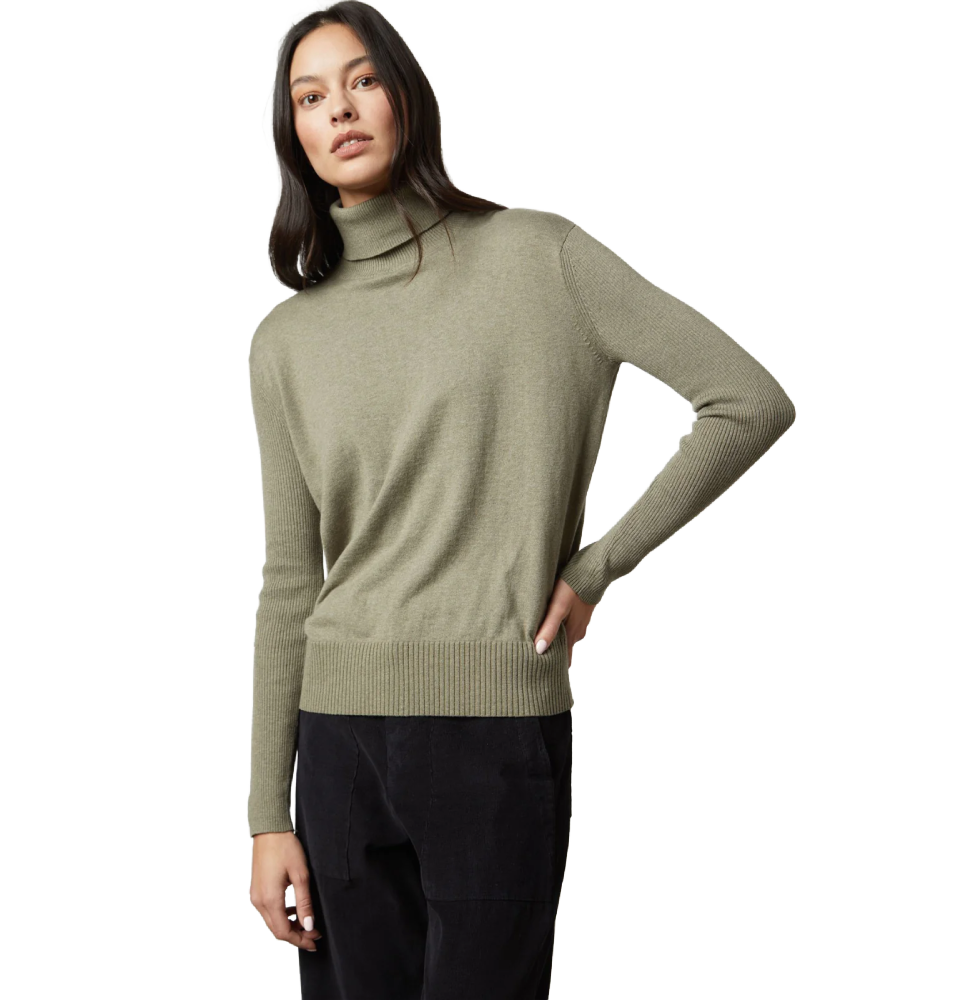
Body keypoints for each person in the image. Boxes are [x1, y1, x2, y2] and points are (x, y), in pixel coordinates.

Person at [246, 3, 796, 997]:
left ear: (407, 97)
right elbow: (292, 577)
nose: (341, 109)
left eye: (363, 80)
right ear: (294, 133)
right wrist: (264, 815)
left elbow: (746, 401)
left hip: (490, 731)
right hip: (334, 748)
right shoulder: (285, 341)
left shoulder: (539, 258)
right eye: (310, 96)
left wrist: (598, 567)